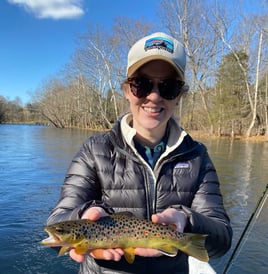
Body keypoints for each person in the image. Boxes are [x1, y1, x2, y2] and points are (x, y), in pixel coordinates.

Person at [46, 32, 232, 274]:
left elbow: (221, 240)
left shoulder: (197, 157)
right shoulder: (94, 151)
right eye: (141, 84)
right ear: (126, 90)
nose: (154, 96)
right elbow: (55, 222)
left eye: (168, 87)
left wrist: (187, 221)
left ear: (180, 96)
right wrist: (84, 214)